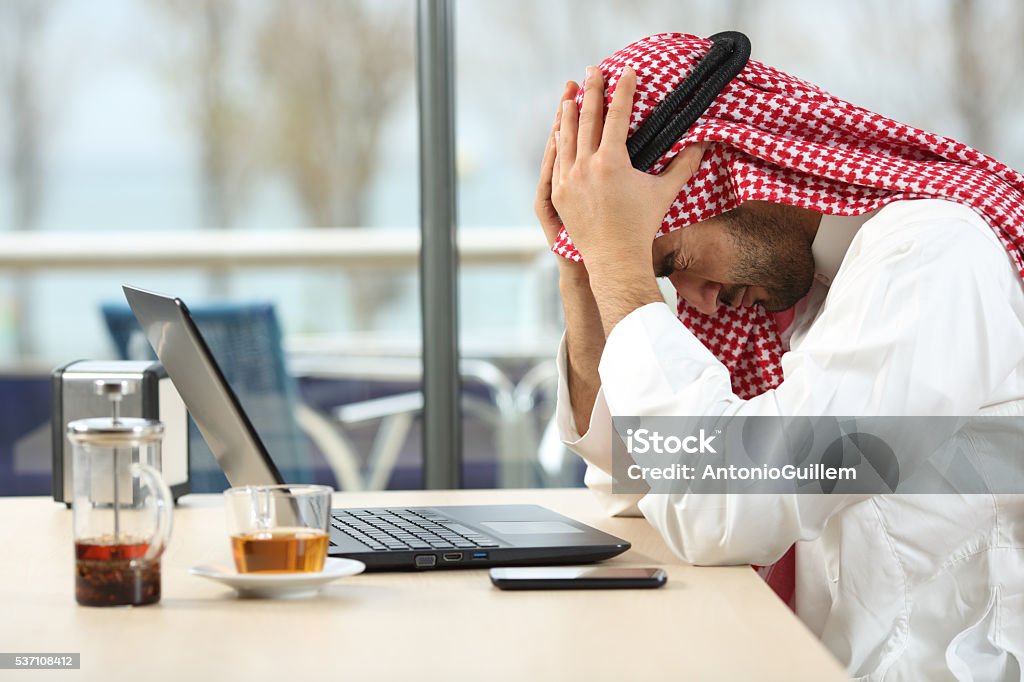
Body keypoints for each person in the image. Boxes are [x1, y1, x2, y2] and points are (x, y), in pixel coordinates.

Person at [535, 33, 1024, 681]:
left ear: (730, 167)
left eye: (673, 263)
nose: (700, 308)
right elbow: (644, 475)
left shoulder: (932, 261)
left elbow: (723, 509)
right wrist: (585, 269)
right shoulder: (816, 288)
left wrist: (622, 266)